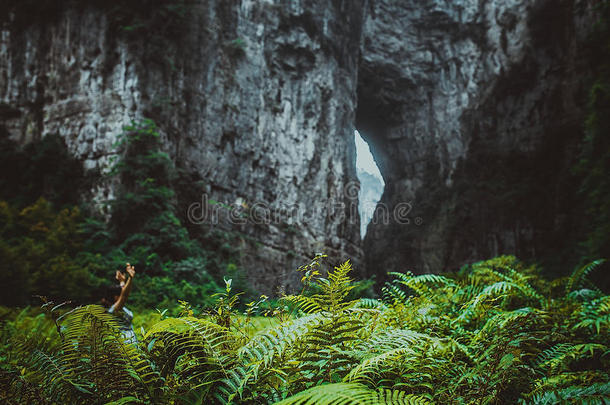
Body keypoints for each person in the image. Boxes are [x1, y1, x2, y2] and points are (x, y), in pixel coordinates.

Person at [104, 263, 137, 344]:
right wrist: (130, 278)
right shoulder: (115, 309)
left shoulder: (117, 307)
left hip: (129, 345)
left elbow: (123, 292)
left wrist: (122, 281)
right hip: (125, 346)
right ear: (115, 297)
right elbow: (124, 295)